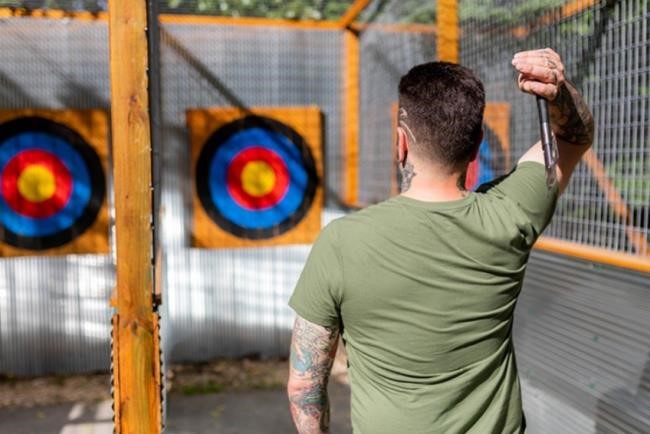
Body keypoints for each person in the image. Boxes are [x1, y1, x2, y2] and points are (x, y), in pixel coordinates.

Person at [287, 48, 594, 434]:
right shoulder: (511, 214)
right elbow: (576, 135)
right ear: (478, 143)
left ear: (400, 141)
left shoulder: (341, 242)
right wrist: (558, 91)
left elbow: (305, 386)